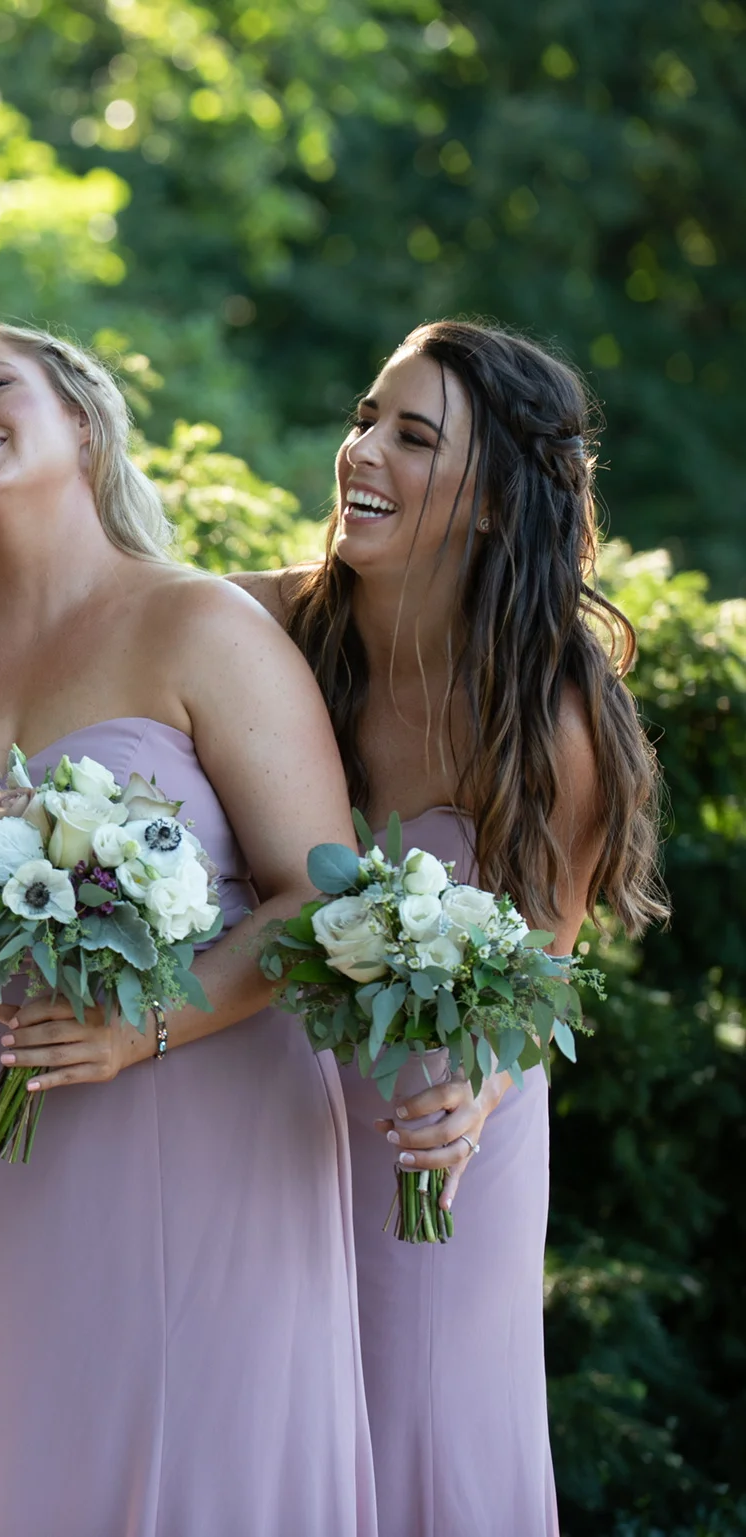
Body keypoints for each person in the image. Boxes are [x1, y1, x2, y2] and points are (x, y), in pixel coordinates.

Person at [0, 319, 375, 1535]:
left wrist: (147, 1025)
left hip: (203, 1131)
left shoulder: (202, 626)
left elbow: (324, 893)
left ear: (81, 422)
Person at [232, 319, 665, 1537]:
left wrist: (476, 1087)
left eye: (413, 436)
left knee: (423, 1436)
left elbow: (540, 972)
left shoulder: (552, 718)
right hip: (260, 1106)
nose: (362, 450)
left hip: (439, 1126)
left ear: (491, 500)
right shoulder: (257, 632)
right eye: (365, 418)